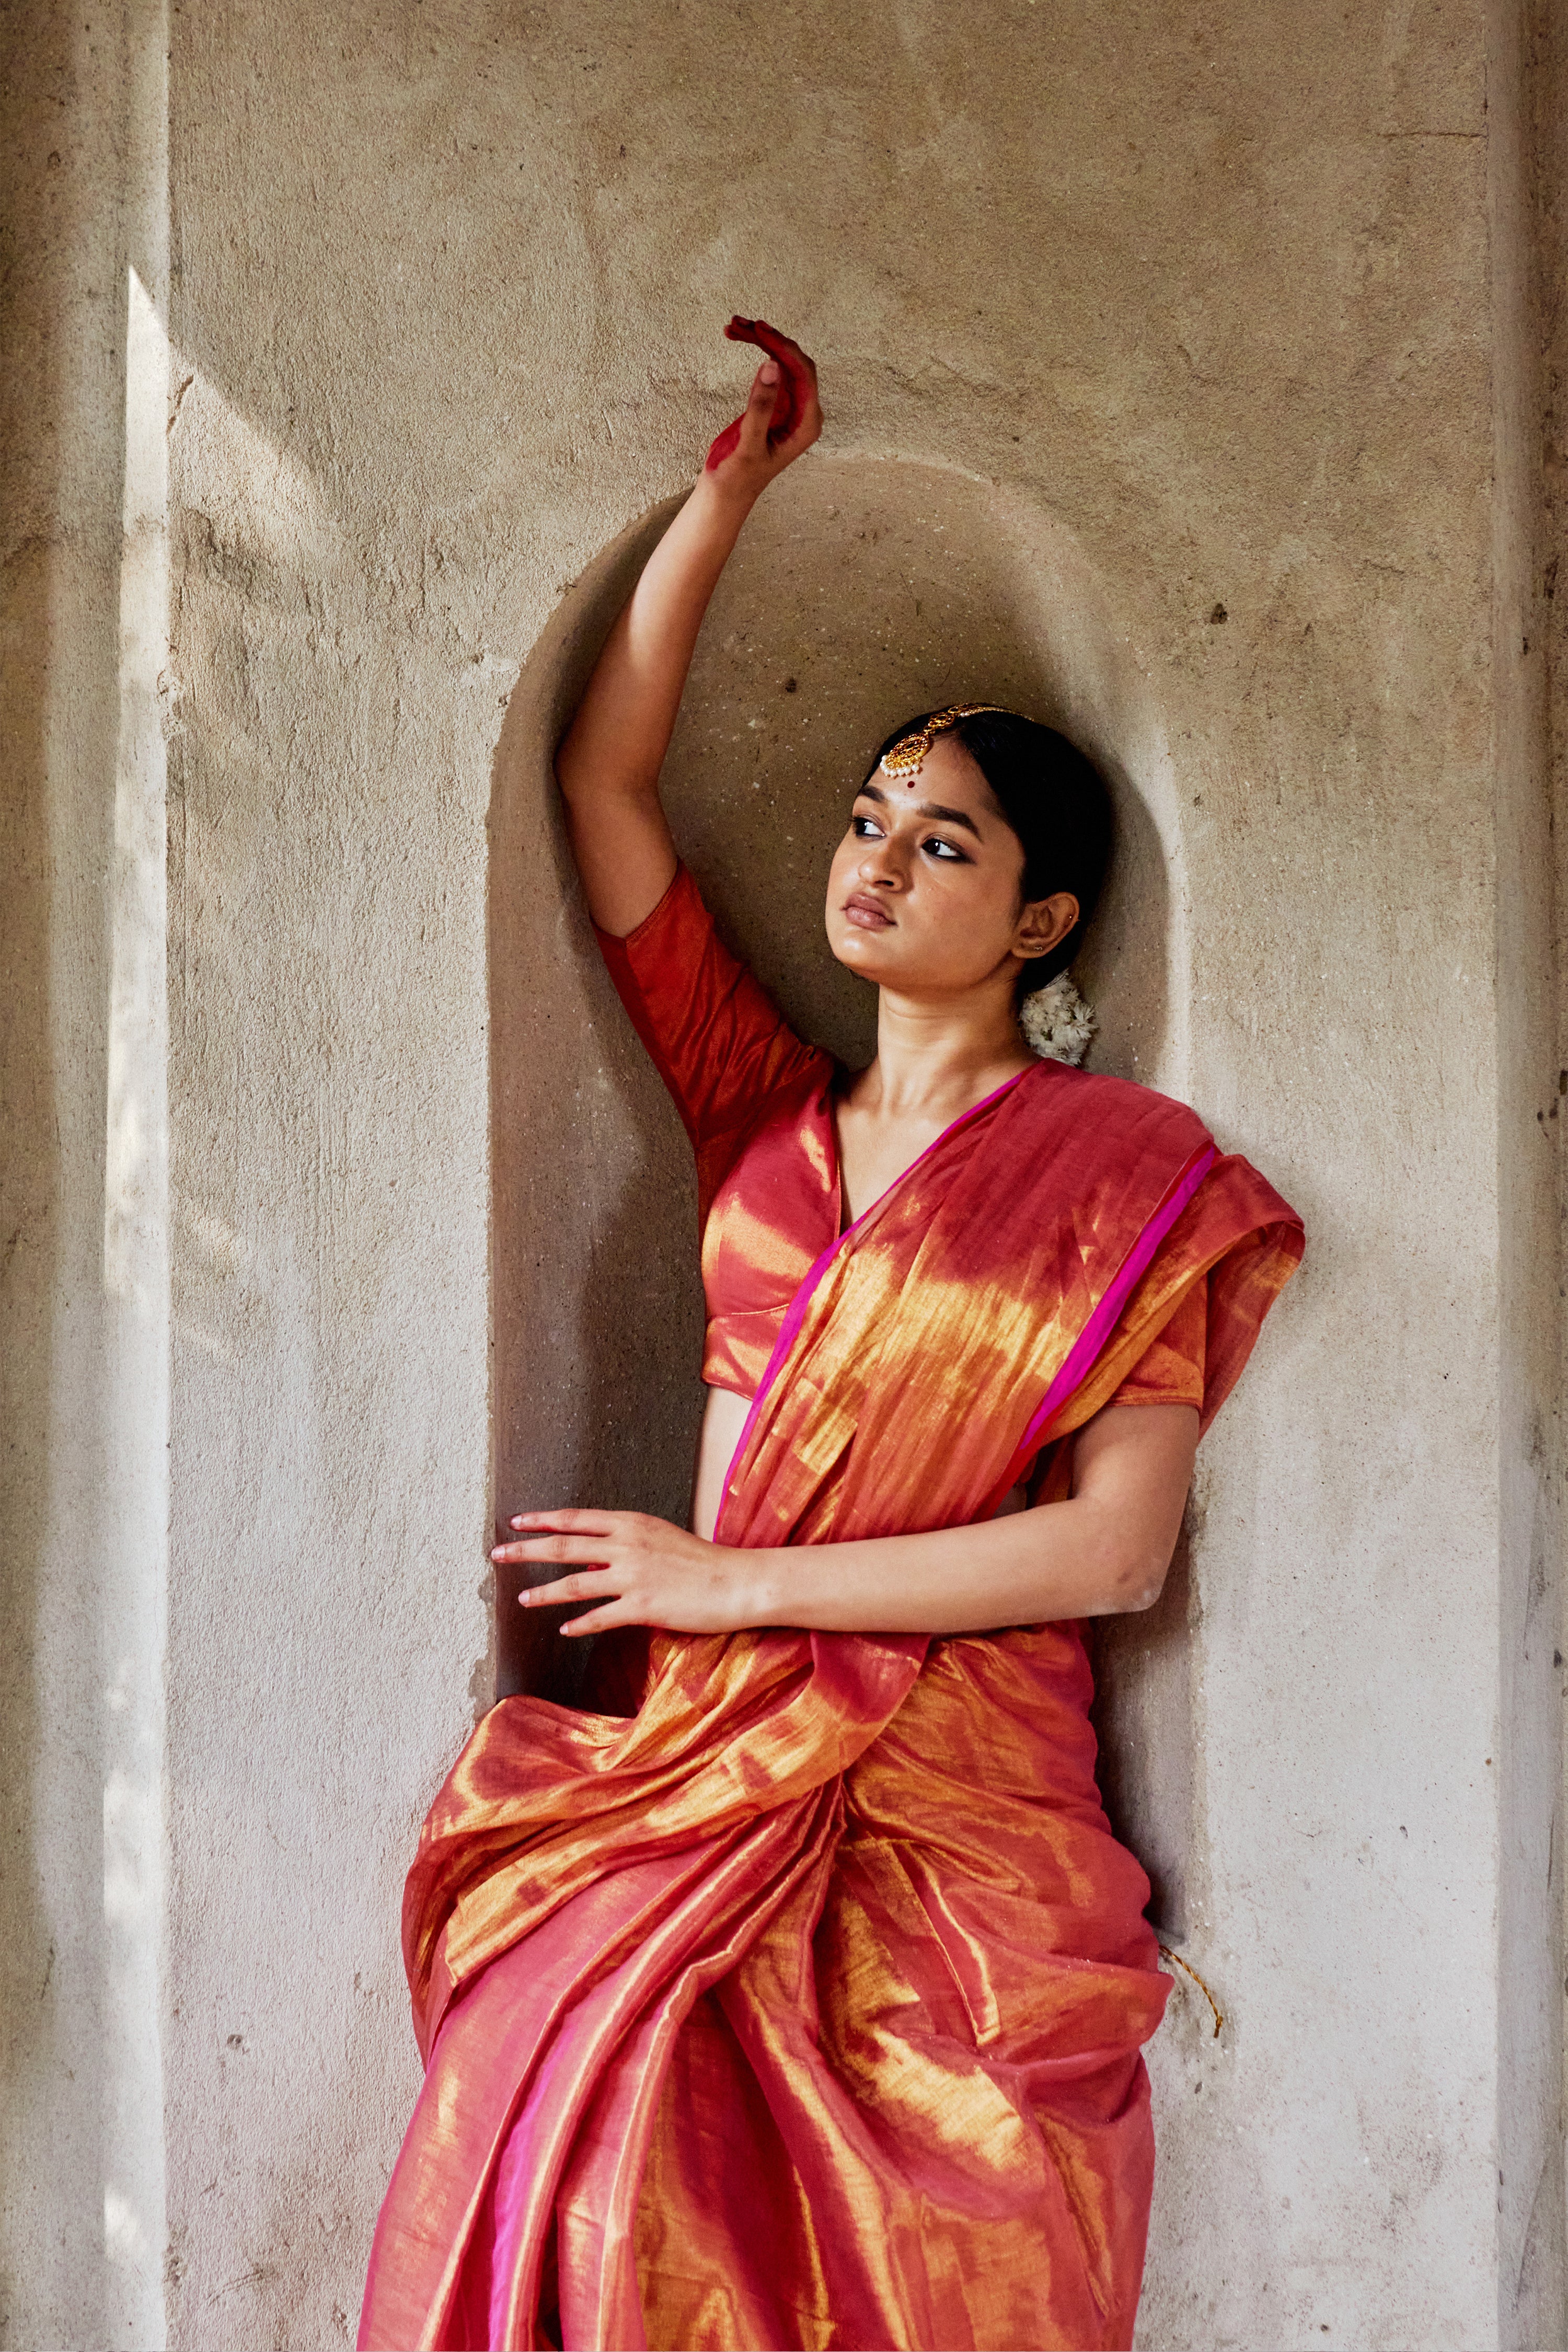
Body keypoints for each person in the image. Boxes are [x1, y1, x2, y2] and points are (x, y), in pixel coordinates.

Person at [359, 319, 1303, 2352]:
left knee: (958, 2221)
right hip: (716, 1758)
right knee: (566, 2095)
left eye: (943, 840)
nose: (875, 857)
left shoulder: (1121, 1165)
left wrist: (730, 1579)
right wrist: (728, 499)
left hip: (963, 1792)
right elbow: (605, 777)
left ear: (1043, 920)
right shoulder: (756, 1119)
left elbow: (1112, 1550)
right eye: (870, 815)